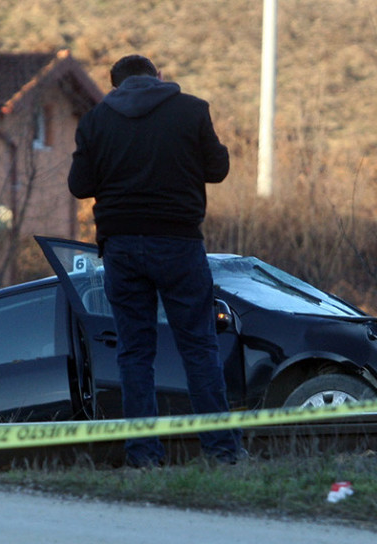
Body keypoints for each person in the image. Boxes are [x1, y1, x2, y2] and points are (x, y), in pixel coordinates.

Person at [68, 54, 242, 467]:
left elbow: (79, 185)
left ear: (115, 86)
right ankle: (221, 452)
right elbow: (217, 169)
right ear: (159, 77)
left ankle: (143, 456)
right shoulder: (192, 110)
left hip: (122, 247)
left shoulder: (95, 121)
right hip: (179, 243)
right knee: (199, 347)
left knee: (134, 352)